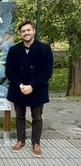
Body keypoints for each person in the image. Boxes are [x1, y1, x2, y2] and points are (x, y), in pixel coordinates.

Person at [5, 19, 53, 158]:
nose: (26, 33)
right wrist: (21, 85)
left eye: (28, 30)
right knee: (20, 116)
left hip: (37, 88)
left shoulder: (44, 49)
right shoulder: (14, 50)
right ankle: (21, 141)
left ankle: (36, 143)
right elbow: (9, 71)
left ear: (33, 31)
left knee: (37, 117)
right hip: (18, 88)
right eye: (23, 31)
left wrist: (32, 86)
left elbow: (47, 71)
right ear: (20, 34)